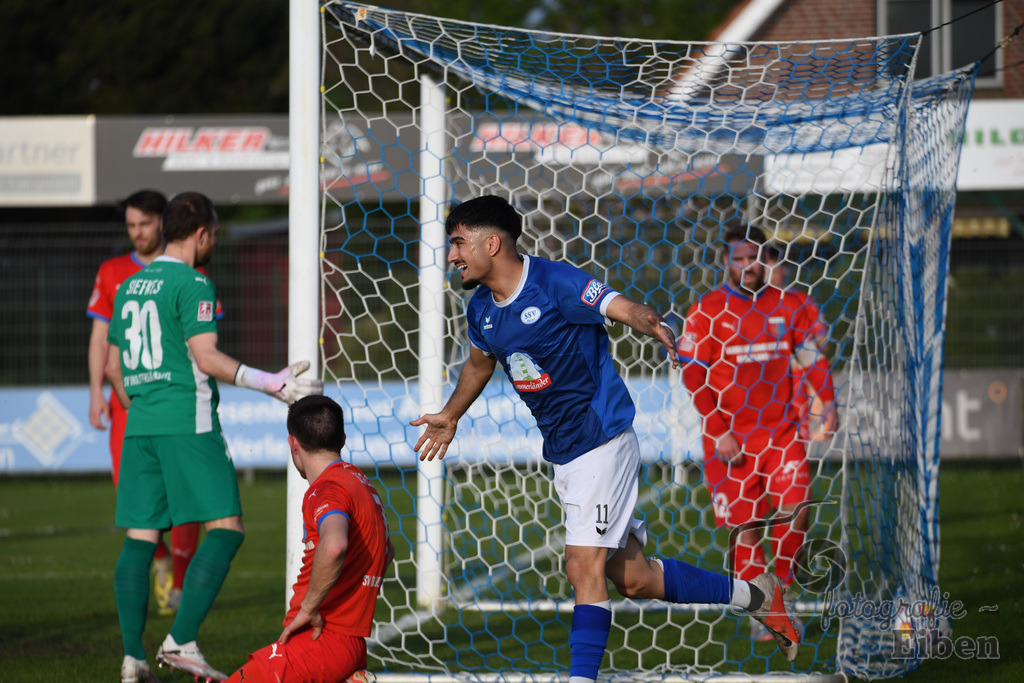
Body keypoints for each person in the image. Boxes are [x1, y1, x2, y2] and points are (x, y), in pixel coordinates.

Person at [411, 195, 801, 683]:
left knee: (582, 568)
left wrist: (653, 323)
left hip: (602, 438)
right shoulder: (482, 310)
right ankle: (758, 596)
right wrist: (450, 414)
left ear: (492, 243)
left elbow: (620, 306)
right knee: (634, 580)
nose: (451, 255)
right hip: (566, 452)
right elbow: (478, 363)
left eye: (458, 243)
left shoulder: (555, 281)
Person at [106, 191, 323, 683]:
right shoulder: (194, 282)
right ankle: (181, 640)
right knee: (226, 529)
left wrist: (142, 407)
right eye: (216, 234)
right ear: (200, 232)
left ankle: (131, 658)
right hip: (188, 421)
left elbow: (115, 369)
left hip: (140, 426)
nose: (215, 242)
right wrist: (271, 383)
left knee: (139, 540)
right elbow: (206, 358)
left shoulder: (129, 285)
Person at [678, 224, 837, 641]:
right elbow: (693, 374)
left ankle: (780, 591)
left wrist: (830, 403)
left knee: (797, 510)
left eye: (754, 259)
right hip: (729, 440)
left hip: (782, 434)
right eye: (739, 259)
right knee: (745, 528)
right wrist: (718, 431)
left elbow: (811, 356)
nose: (747, 266)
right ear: (727, 263)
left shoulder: (786, 305)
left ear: (764, 261)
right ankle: (763, 607)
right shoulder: (708, 309)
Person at [87, 189, 215, 616]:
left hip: (153, 403)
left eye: (143, 223)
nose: (136, 232)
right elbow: (101, 345)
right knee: (146, 503)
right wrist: (96, 396)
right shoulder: (114, 273)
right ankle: (164, 568)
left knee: (175, 502)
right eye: (130, 225)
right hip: (137, 405)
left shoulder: (184, 278)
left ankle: (176, 584)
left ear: (164, 223)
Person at [224, 395, 393, 683]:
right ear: (342, 438)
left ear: (293, 444)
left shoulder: (326, 489)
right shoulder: (362, 484)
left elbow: (335, 544)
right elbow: (386, 551)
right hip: (350, 644)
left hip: (318, 642)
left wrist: (309, 607)